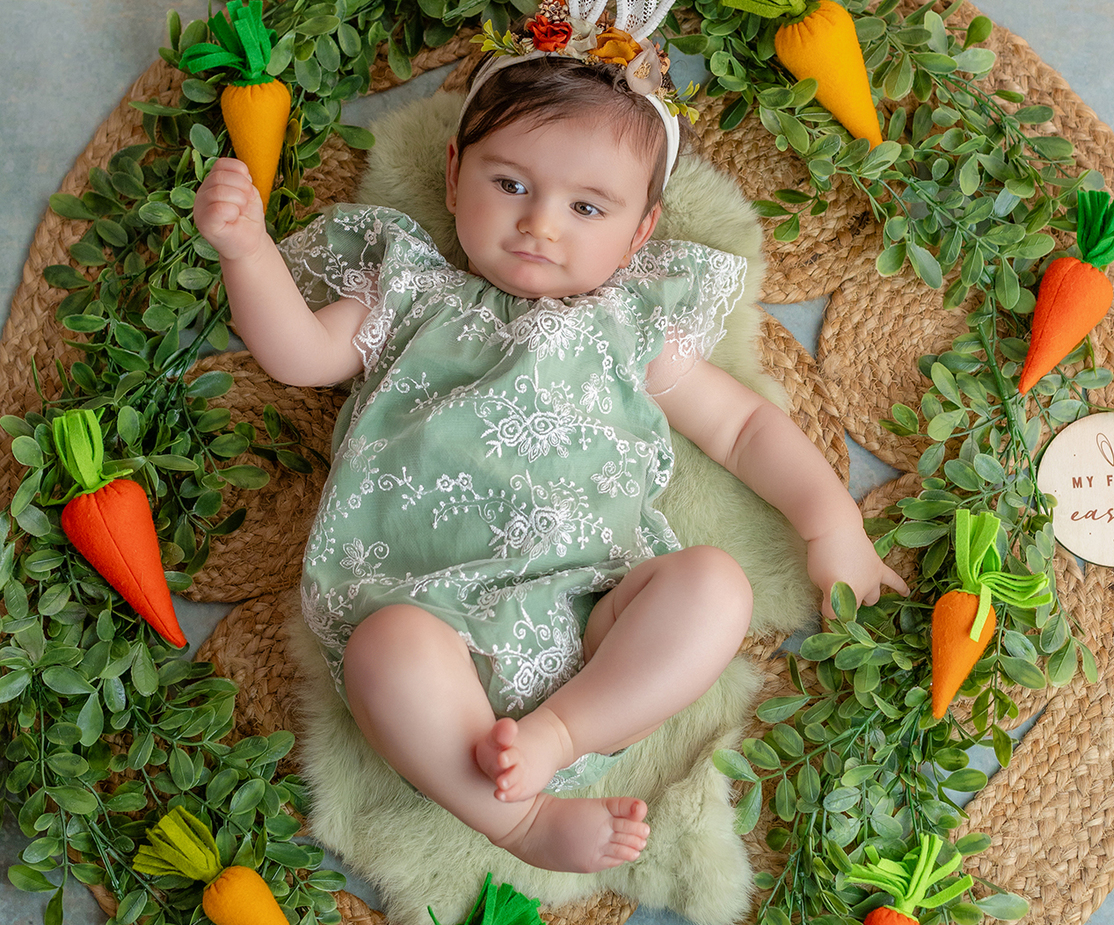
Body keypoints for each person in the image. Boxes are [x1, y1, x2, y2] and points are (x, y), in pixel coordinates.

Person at [193, 46, 907, 878]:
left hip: (592, 624)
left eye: (588, 207)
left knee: (715, 587)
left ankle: (562, 734)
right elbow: (300, 353)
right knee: (384, 649)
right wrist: (246, 251)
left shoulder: (632, 327)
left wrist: (832, 522)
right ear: (454, 174)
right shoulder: (412, 297)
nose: (541, 223)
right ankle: (521, 819)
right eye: (511, 185)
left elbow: (746, 428)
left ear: (642, 232)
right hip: (425, 616)